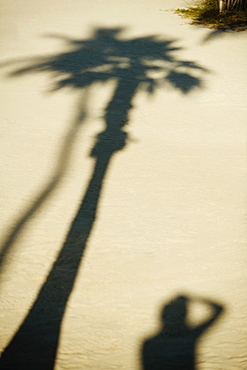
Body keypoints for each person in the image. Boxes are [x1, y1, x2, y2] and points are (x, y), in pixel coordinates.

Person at [142, 294, 224, 370]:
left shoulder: (150, 343)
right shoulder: (188, 336)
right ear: (184, 317)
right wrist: (193, 298)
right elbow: (219, 309)